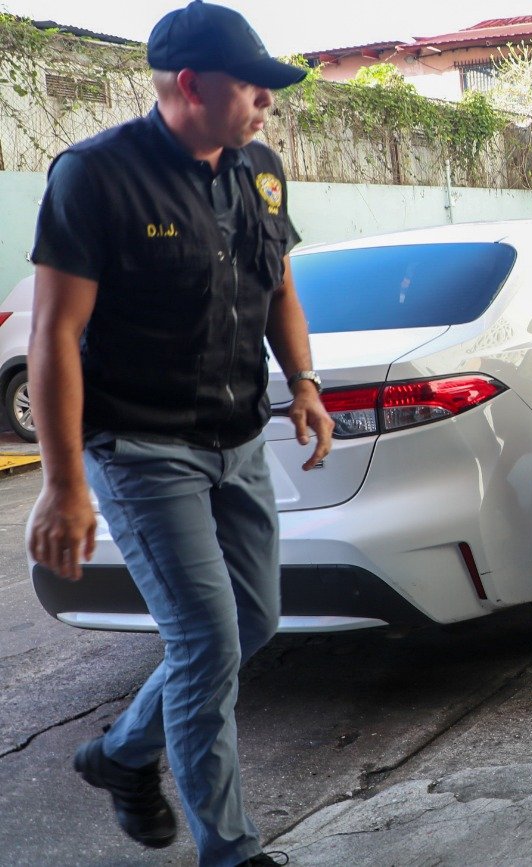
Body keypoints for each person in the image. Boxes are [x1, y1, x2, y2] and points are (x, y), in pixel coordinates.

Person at [24, 3, 333, 865]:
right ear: (191, 86)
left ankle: (122, 753)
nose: (268, 103)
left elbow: (280, 291)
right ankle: (229, 849)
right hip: (142, 444)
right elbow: (53, 333)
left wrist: (303, 384)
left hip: (238, 437)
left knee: (256, 620)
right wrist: (62, 482)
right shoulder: (96, 176)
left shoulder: (260, 172)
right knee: (206, 640)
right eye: (255, 87)